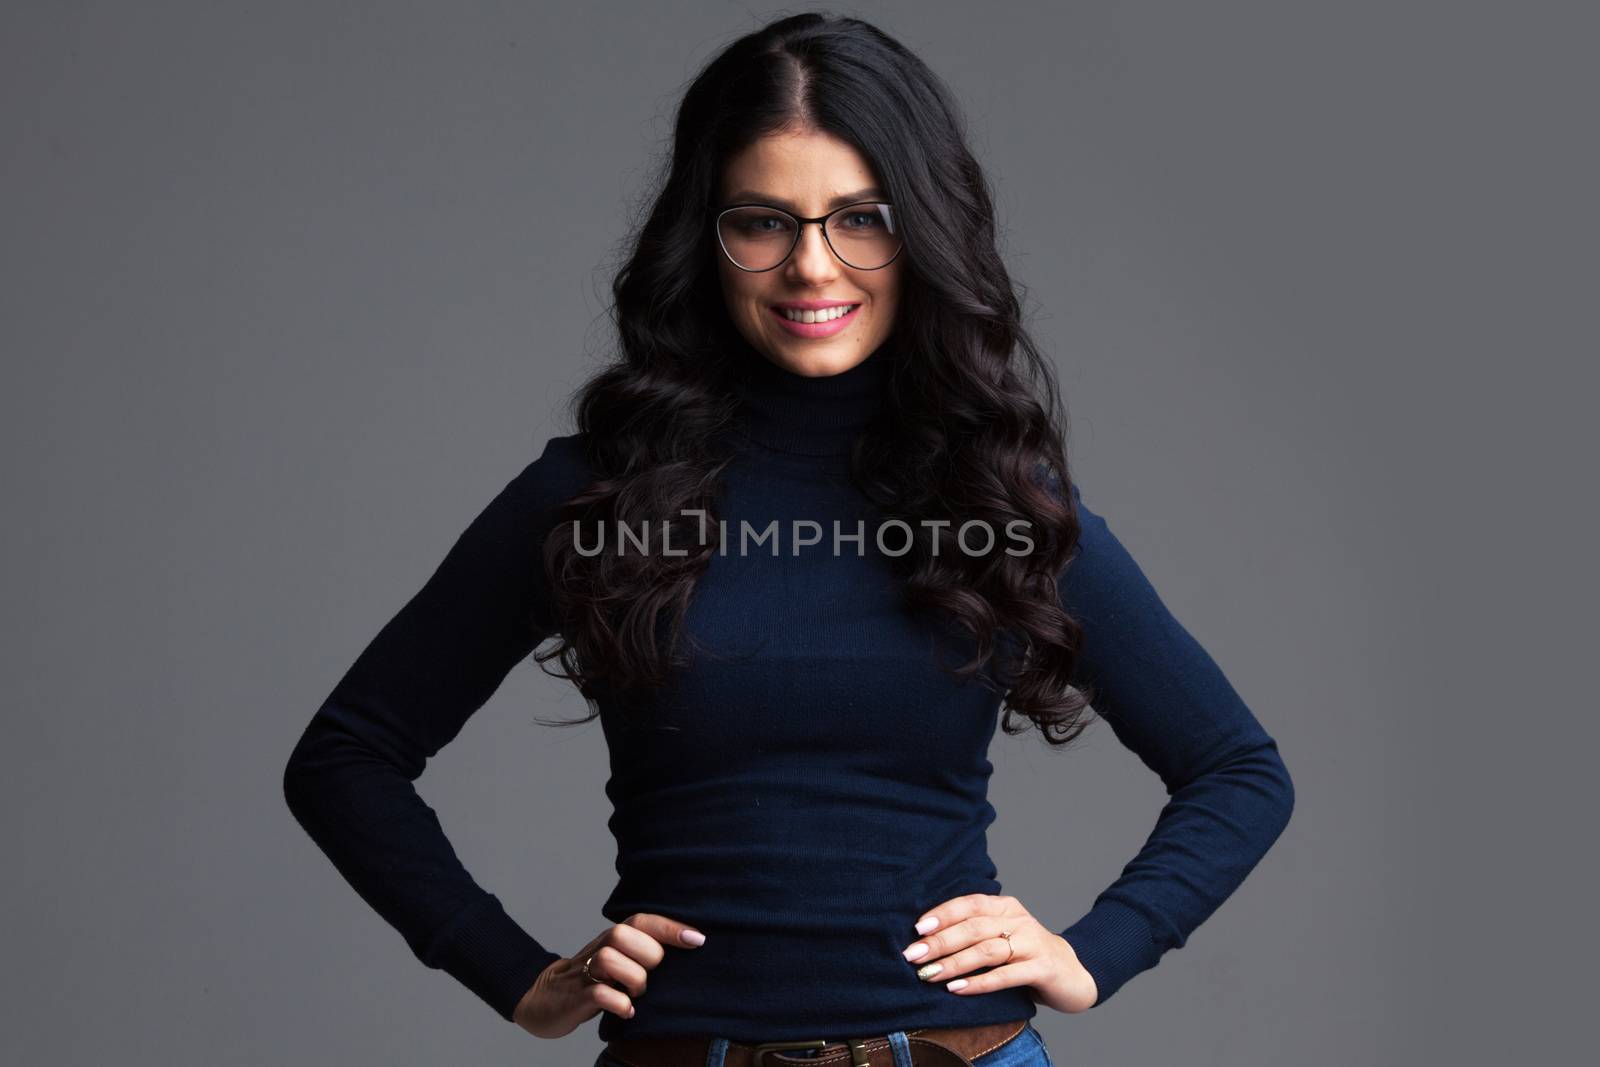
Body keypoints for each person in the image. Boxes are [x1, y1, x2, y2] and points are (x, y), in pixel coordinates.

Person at [282, 12, 1295, 1067]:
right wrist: (512, 971)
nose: (813, 266)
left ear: (924, 234)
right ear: (706, 239)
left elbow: (1237, 769)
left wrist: (1093, 952)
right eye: (763, 222)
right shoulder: (598, 493)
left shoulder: (995, 496)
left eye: (861, 218)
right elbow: (347, 757)